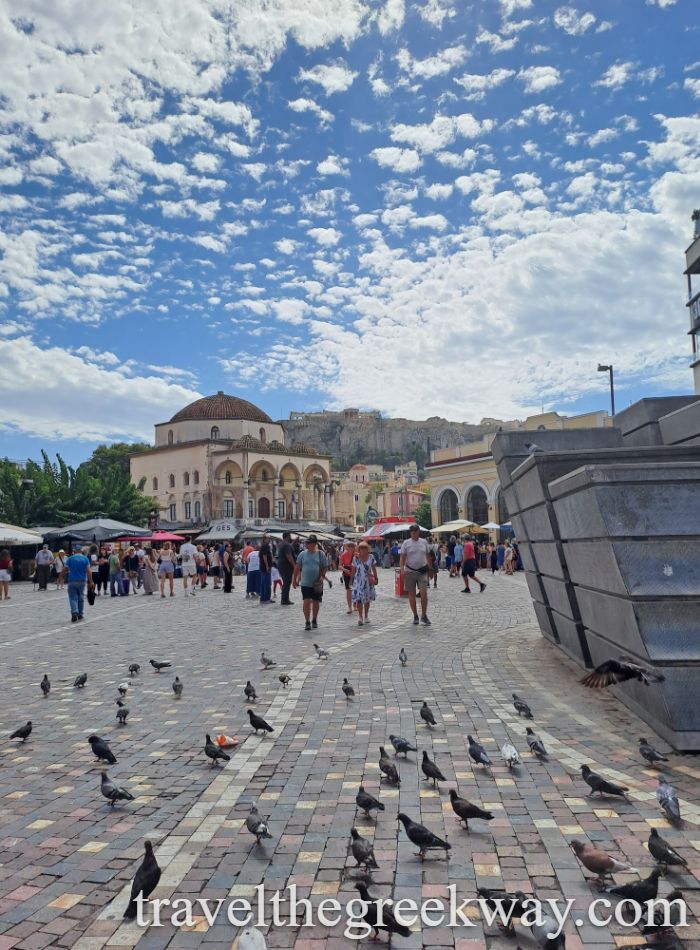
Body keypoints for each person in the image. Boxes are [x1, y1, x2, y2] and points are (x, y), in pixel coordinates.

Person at [399, 524, 432, 626]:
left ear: (418, 532)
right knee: (411, 594)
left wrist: (430, 569)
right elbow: (402, 557)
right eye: (411, 532)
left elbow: (427, 555)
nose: (413, 533)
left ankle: (424, 615)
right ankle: (415, 616)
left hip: (422, 571)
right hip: (410, 571)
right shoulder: (406, 543)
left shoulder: (423, 542)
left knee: (424, 593)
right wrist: (402, 569)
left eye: (415, 531)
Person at [293, 534, 327, 631]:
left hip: (316, 584)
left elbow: (325, 567)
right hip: (305, 583)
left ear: (315, 543)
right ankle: (307, 621)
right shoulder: (302, 554)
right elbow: (297, 568)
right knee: (306, 601)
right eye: (306, 542)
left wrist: (322, 576)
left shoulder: (321, 554)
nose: (307, 544)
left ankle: (314, 619)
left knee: (316, 601)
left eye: (309, 543)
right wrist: (294, 580)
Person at [350, 540, 378, 626]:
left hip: (368, 581)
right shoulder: (356, 558)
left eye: (364, 548)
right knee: (358, 600)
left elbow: (373, 568)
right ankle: (360, 617)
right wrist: (351, 580)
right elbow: (353, 570)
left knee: (367, 600)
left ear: (367, 549)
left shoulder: (371, 557)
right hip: (358, 581)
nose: (363, 549)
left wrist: (376, 578)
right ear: (359, 549)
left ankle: (366, 616)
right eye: (361, 548)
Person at [65, 545, 94, 622]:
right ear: (81, 551)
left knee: (72, 597)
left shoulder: (70, 559)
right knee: (81, 597)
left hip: (72, 580)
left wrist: (60, 577)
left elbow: (65, 569)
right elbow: (89, 571)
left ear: (74, 551)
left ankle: (74, 612)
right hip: (82, 581)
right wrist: (90, 581)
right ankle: (80, 614)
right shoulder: (85, 559)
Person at [276, 531, 296, 606]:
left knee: (285, 582)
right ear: (287, 536)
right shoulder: (286, 545)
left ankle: (284, 599)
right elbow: (289, 556)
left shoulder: (282, 544)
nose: (291, 537)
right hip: (286, 566)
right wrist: (294, 565)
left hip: (281, 565)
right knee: (287, 582)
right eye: (290, 536)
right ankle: (285, 600)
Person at [339, 540, 356, 615]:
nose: (350, 548)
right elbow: (339, 566)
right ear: (346, 547)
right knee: (349, 590)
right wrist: (345, 569)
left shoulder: (356, 555)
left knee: (355, 590)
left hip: (355, 574)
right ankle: (349, 607)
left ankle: (355, 605)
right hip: (347, 574)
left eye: (352, 546)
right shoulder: (343, 555)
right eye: (349, 546)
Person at [258, 533, 273, 604]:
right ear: (264, 539)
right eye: (268, 538)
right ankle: (266, 599)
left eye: (270, 538)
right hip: (265, 567)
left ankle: (264, 598)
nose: (269, 539)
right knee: (266, 583)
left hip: (263, 567)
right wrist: (267, 566)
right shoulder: (265, 546)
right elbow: (264, 556)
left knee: (264, 583)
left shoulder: (264, 546)